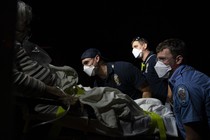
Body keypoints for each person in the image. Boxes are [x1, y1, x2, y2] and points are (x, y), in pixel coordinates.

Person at [14, 0, 79, 115]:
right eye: (25, 22)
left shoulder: (15, 43)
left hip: (60, 85)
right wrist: (57, 94)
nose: (27, 28)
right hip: (53, 95)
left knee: (97, 93)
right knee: (101, 99)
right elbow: (15, 79)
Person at [154, 38, 210, 140]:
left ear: (178, 59)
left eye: (163, 59)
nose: (158, 64)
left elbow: (193, 135)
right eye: (158, 59)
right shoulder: (186, 75)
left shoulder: (183, 86)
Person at [80, 48, 152, 100]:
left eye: (86, 62)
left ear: (97, 58)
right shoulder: (97, 84)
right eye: (83, 65)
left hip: (138, 109)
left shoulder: (123, 68)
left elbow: (147, 90)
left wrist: (143, 112)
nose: (85, 67)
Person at [131, 36, 168, 104]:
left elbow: (168, 78)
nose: (133, 50)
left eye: (136, 46)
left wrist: (169, 99)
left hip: (163, 102)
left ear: (144, 46)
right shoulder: (144, 63)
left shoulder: (154, 59)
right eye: (133, 48)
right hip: (154, 102)